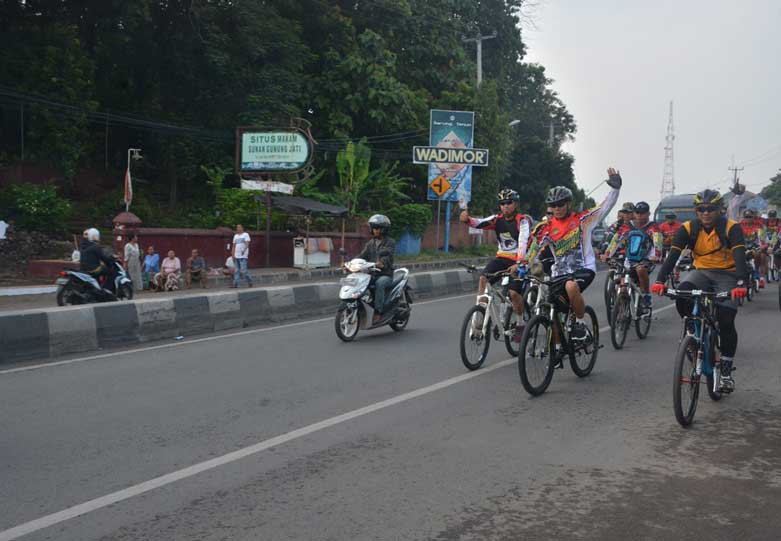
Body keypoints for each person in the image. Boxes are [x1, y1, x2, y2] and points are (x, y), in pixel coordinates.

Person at [652, 189, 747, 391]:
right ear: (696, 211)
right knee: (683, 293)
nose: (706, 213)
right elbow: (673, 256)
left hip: (728, 275)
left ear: (720, 209)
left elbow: (740, 257)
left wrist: (740, 284)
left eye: (711, 209)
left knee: (727, 320)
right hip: (701, 273)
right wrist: (660, 281)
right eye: (701, 209)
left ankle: (727, 372)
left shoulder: (732, 228)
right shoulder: (687, 228)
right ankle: (692, 335)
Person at [525, 168, 622, 341]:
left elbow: (604, 207)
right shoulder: (545, 227)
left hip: (583, 269)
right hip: (559, 273)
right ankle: (555, 348)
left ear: (569, 204)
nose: (557, 208)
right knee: (551, 310)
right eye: (553, 205)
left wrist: (615, 188)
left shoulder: (583, 220)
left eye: (561, 204)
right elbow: (534, 248)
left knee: (571, 287)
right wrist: (521, 264)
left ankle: (580, 324)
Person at [460, 188, 533, 340]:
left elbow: (523, 242)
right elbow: (478, 223)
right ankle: (481, 312)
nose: (506, 206)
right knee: (483, 279)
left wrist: (519, 263)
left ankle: (520, 323)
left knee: (513, 294)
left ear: (516, 204)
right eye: (502, 203)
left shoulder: (523, 220)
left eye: (509, 202)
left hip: (520, 260)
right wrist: (467, 219)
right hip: (502, 258)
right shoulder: (497, 219)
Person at [603, 201, 662, 309]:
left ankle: (646, 296)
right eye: (637, 212)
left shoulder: (653, 227)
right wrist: (607, 254)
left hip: (646, 260)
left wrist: (657, 256)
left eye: (643, 213)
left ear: (648, 214)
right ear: (634, 213)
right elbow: (616, 240)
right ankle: (622, 307)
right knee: (621, 278)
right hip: (629, 260)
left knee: (640, 270)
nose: (639, 215)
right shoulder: (627, 226)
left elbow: (658, 242)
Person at [356, 214, 396, 324]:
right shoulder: (370, 243)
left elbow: (388, 257)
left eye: (377, 228)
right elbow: (362, 255)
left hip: (385, 274)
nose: (375, 230)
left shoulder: (390, 242)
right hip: (372, 273)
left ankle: (378, 311)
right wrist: (351, 263)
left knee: (380, 283)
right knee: (360, 282)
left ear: (384, 229)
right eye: (373, 228)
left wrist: (381, 263)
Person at [79, 228, 117, 292]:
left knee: (102, 269)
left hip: (83, 268)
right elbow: (103, 257)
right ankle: (106, 289)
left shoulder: (84, 245)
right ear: (95, 236)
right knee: (112, 272)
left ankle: (98, 286)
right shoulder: (95, 246)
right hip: (93, 269)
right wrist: (111, 259)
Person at [740, 209, 767, 287]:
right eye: (746, 217)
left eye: (750, 217)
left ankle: (760, 278)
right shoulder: (739, 225)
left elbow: (762, 238)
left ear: (753, 217)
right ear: (744, 217)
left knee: (761, 256)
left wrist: (763, 246)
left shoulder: (759, 226)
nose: (748, 218)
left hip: (757, 246)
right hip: (743, 247)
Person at [231, 224, 253, 288]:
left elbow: (247, 243)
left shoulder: (246, 235)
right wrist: (233, 254)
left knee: (244, 270)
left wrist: (244, 249)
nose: (238, 228)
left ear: (242, 228)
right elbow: (234, 246)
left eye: (239, 227)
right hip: (236, 255)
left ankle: (250, 282)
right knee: (236, 270)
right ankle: (235, 284)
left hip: (243, 255)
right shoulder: (235, 236)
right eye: (237, 227)